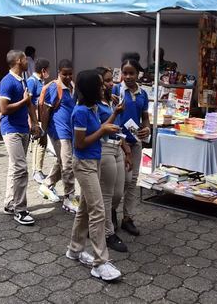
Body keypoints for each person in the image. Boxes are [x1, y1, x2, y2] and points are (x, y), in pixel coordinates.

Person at [65, 69, 122, 281]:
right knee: (98, 210)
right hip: (84, 164)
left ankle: (75, 249)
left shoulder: (93, 107)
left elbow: (101, 127)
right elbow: (80, 143)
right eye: (100, 85)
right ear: (90, 89)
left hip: (94, 161)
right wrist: (103, 131)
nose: (104, 87)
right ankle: (100, 263)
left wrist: (113, 114)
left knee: (86, 209)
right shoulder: (80, 111)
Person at [0, 50, 40, 225]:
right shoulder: (7, 82)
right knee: (21, 168)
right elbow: (4, 109)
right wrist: (24, 101)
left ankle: (10, 203)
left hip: (23, 129)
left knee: (14, 168)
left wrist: (35, 124)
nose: (27, 62)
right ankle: (20, 210)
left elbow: (30, 104)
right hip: (11, 130)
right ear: (17, 61)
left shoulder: (23, 80)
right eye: (24, 59)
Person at [112, 58, 151, 237]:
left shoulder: (143, 94)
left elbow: (145, 117)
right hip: (118, 143)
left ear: (138, 74)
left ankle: (128, 218)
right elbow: (113, 118)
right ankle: (111, 212)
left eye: (131, 73)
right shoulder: (115, 91)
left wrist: (147, 128)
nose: (127, 76)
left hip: (135, 142)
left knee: (133, 181)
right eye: (124, 73)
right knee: (122, 182)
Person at [38, 59, 80, 214]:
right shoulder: (54, 87)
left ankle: (46, 184)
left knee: (63, 160)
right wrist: (43, 132)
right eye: (64, 74)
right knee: (68, 164)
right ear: (59, 73)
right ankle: (69, 197)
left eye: (70, 73)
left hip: (71, 131)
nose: (68, 76)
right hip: (58, 131)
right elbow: (46, 112)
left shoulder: (73, 86)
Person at [96, 67, 130, 253]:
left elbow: (118, 127)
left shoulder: (111, 100)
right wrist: (115, 113)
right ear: (99, 83)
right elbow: (99, 128)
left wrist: (126, 149)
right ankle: (108, 234)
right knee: (108, 195)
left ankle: (105, 220)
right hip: (104, 149)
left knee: (118, 193)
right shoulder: (93, 103)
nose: (112, 83)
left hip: (117, 147)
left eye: (112, 80)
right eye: (108, 80)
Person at [27, 58, 50, 183]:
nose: (49, 72)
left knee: (42, 143)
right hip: (36, 117)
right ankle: (36, 171)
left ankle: (38, 169)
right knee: (38, 143)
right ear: (43, 70)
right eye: (48, 70)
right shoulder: (32, 81)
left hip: (42, 116)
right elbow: (28, 102)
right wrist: (32, 121)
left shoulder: (41, 81)